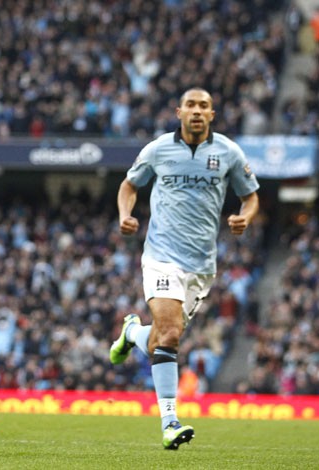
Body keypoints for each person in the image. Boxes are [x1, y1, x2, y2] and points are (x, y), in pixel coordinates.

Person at [109, 88, 259, 450]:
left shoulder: (228, 153)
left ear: (212, 114)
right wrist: (125, 215)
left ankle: (132, 334)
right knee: (172, 333)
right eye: (190, 105)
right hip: (161, 255)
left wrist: (245, 217)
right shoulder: (158, 149)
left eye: (203, 106)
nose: (196, 111)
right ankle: (170, 422)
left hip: (202, 265)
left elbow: (250, 195)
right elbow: (129, 185)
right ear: (179, 111)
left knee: (163, 337)